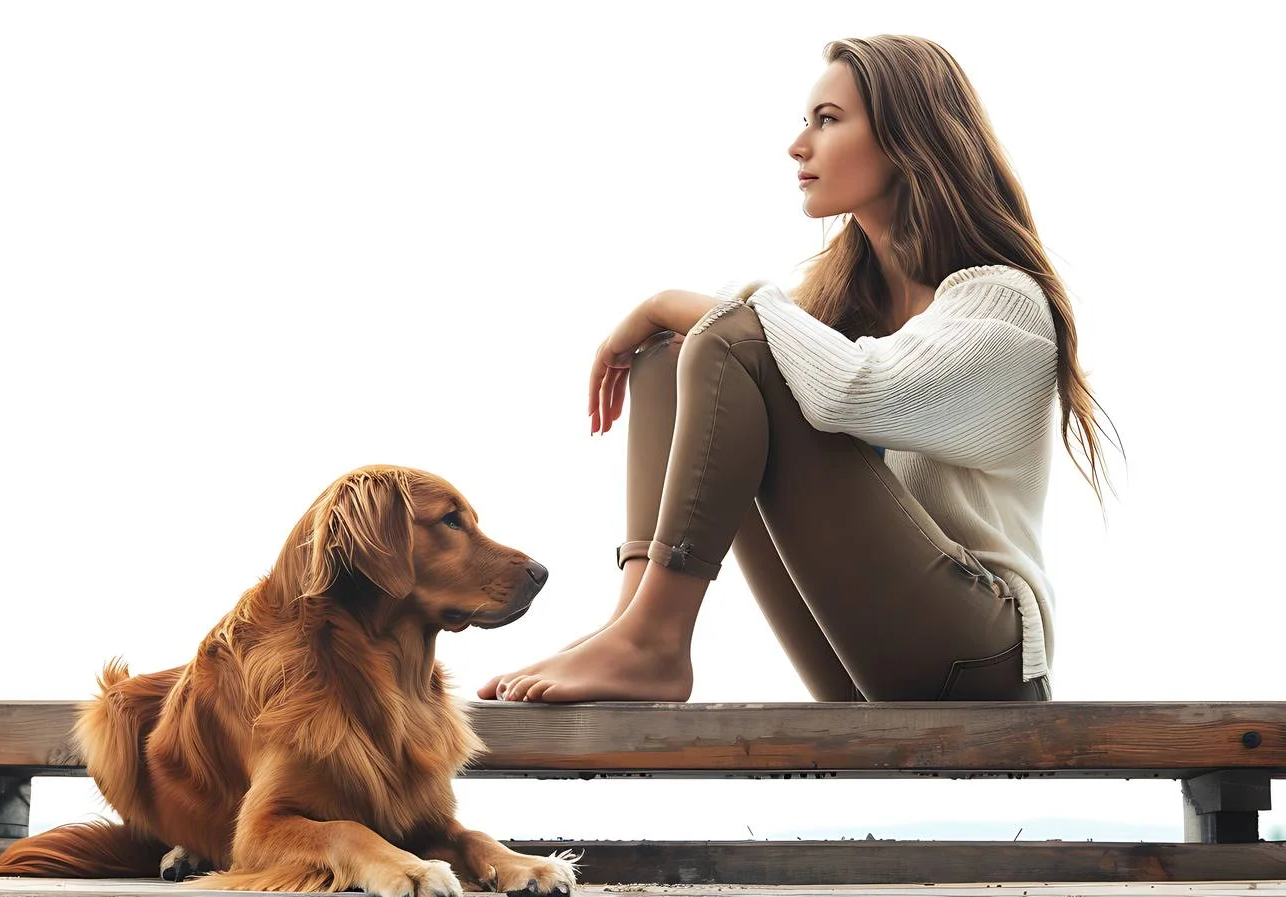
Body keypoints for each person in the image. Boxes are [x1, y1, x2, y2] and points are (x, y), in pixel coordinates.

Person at [478, 34, 1116, 704]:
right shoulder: (851, 314)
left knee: (725, 339)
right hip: (863, 657)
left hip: (986, 659)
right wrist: (687, 322)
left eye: (828, 120)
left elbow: (856, 389)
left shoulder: (1004, 305)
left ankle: (652, 642)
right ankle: (633, 623)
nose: (798, 145)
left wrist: (669, 301)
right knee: (675, 358)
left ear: (908, 138)